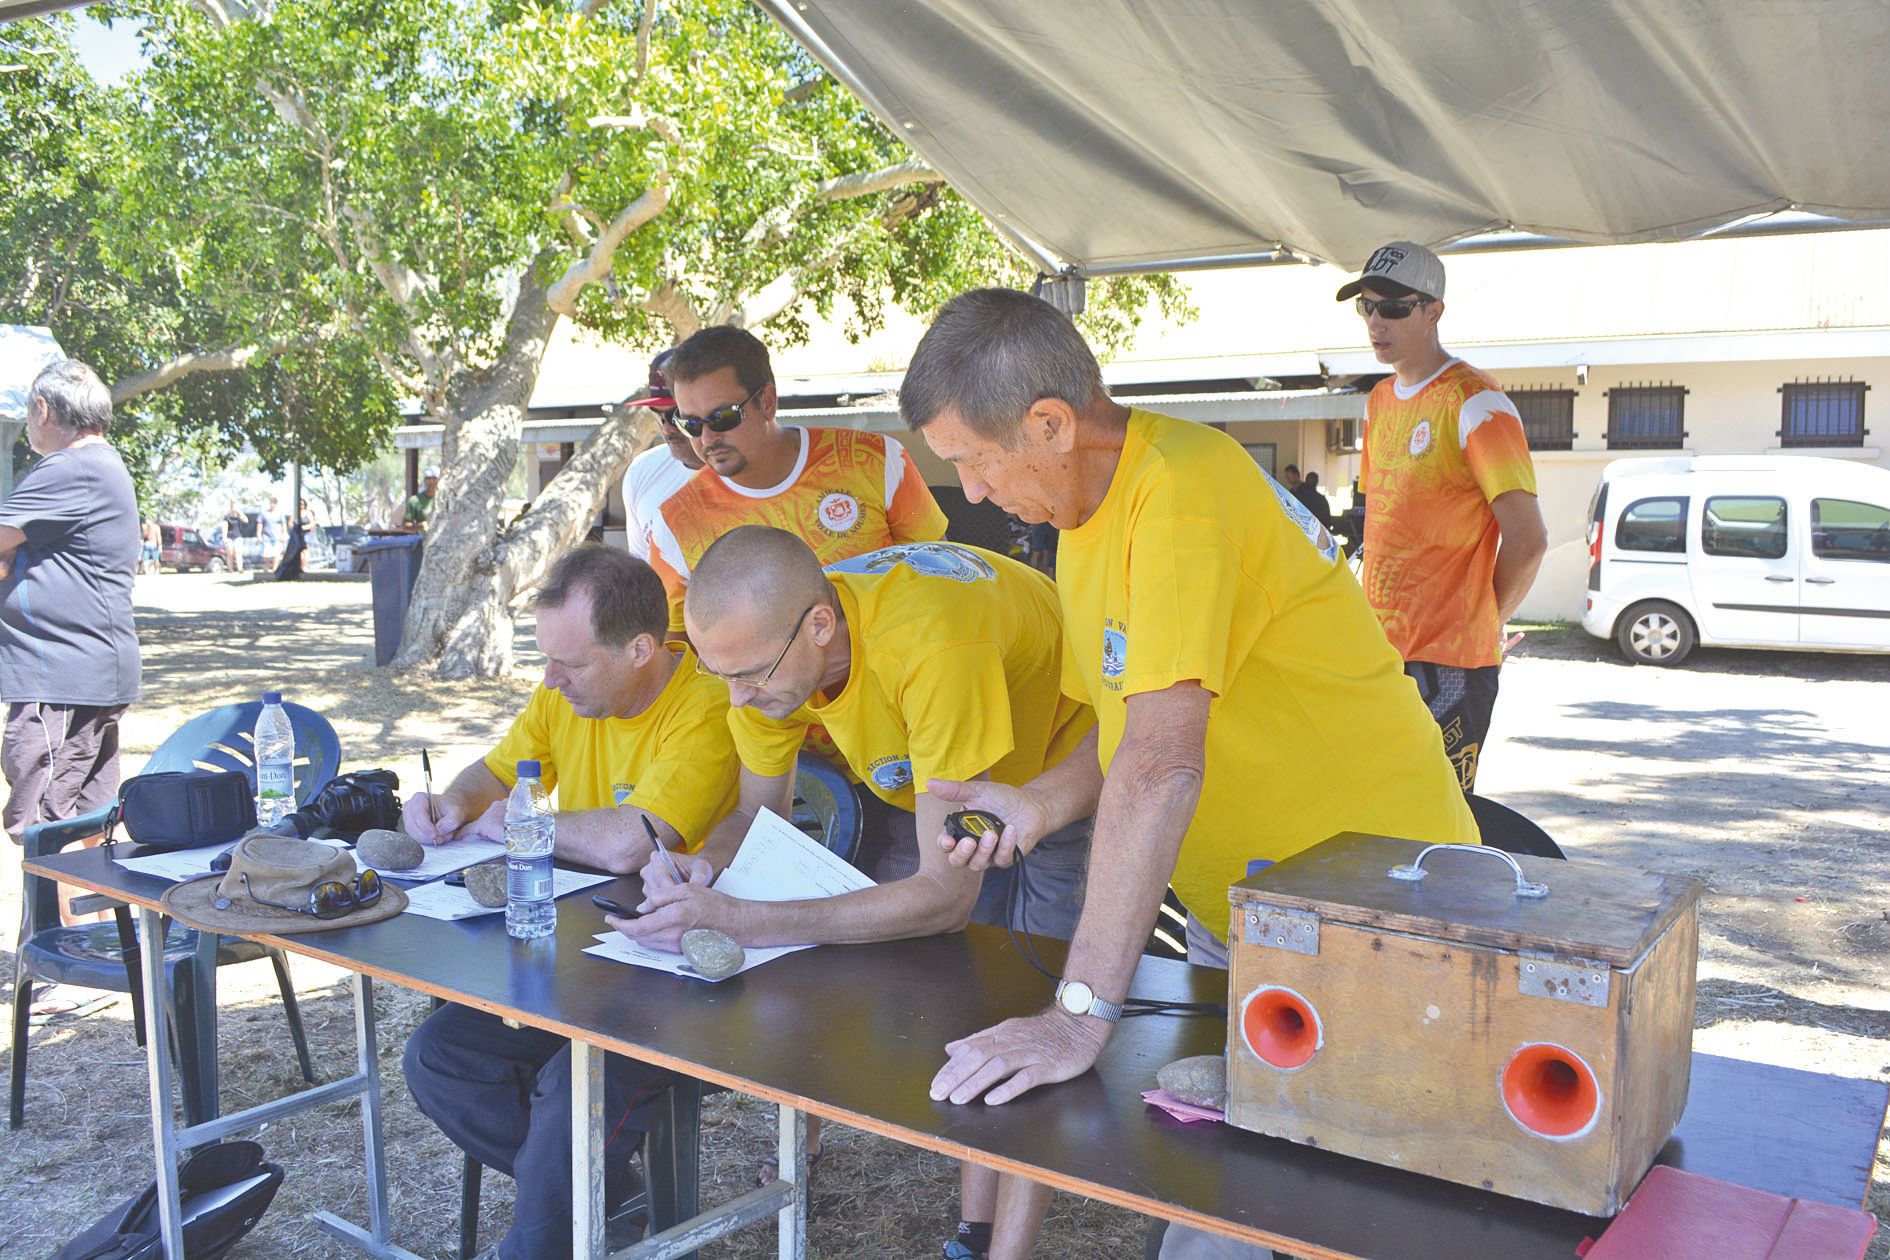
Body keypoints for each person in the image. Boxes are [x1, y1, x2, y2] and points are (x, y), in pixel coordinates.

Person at [899, 288, 1477, 1260]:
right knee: (1226, 1202)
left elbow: (1162, 766)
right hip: (1256, 915)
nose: (973, 491)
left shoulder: (1179, 495)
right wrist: (1037, 804)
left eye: (972, 461)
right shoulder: (1086, 515)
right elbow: (1122, 730)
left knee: (1280, 1225)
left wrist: (1079, 1015)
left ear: (1048, 423)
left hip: (1379, 918)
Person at [618, 526, 1094, 1260]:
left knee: (1036, 1010)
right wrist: (700, 866)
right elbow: (753, 815)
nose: (738, 698)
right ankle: (974, 1233)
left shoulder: (930, 646)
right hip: (960, 753)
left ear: (819, 626)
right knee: (979, 999)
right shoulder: (773, 651)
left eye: (749, 675)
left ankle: (1007, 1251)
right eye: (720, 676)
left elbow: (942, 898)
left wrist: (745, 920)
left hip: (1067, 762)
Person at [399, 544, 739, 1260]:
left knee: (571, 1089)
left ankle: (542, 1241)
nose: (551, 681)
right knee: (440, 1056)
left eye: (571, 663)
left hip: (683, 972)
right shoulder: (565, 693)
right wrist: (454, 802)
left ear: (641, 649)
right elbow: (496, 771)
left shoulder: (706, 707)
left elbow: (631, 845)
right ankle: (601, 1198)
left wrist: (528, 823)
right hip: (585, 957)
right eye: (547, 660)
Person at [1337, 241, 1548, 790]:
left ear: (1434, 311)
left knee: (1437, 825)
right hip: (1380, 654)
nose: (1376, 322)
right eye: (1367, 307)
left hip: (1449, 662)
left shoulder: (1476, 401)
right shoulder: (1380, 399)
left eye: (1394, 307)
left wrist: (1484, 621)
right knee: (1372, 813)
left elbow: (1528, 540)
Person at [647, 324, 949, 630]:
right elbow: (677, 648)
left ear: (767, 402)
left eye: (722, 417)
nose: (708, 438)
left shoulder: (874, 460)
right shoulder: (676, 523)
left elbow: (943, 571)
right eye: (692, 424)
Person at [0, 361, 142, 971]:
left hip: (59, 673)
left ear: (42, 410)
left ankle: (55, 962)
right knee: (88, 820)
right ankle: (123, 941)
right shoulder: (96, 465)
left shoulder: (68, 466)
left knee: (44, 824)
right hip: (86, 668)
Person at [619, 349, 703, 560]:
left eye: (676, 415)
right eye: (658, 416)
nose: (667, 430)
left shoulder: (744, 470)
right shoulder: (641, 471)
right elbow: (641, 567)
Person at [258, 495, 286, 571]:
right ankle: (266, 568)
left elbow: (284, 525)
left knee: (276, 554)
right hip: (266, 536)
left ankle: (275, 569)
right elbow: (259, 524)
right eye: (271, 503)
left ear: (276, 504)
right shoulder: (263, 513)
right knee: (266, 554)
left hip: (277, 537)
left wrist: (284, 535)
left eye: (274, 503)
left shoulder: (280, 514)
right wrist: (259, 535)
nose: (272, 505)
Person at [222, 500, 247, 572]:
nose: (233, 507)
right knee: (230, 553)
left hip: (238, 536)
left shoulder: (239, 515)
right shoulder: (227, 516)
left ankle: (240, 569)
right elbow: (225, 526)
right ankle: (230, 569)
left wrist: (239, 512)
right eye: (232, 505)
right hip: (229, 537)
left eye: (235, 505)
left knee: (238, 552)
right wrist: (224, 537)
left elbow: (246, 520)